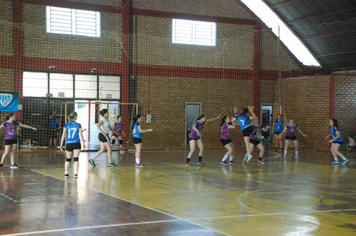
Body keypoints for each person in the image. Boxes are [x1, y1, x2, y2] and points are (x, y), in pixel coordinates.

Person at [59, 111, 86, 179]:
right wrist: (84, 143)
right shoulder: (78, 125)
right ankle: (75, 174)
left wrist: (61, 144)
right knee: (76, 159)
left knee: (68, 159)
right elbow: (81, 135)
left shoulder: (66, 125)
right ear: (75, 117)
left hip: (69, 143)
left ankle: (66, 173)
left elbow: (63, 135)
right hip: (76, 143)